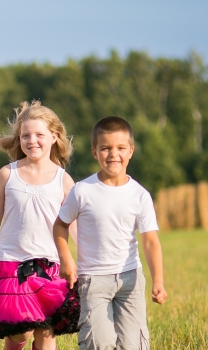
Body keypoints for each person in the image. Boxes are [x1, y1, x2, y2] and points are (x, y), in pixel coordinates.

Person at [0, 101, 80, 350]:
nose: (32, 141)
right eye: (25, 136)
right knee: (20, 330)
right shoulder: (7, 174)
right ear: (19, 139)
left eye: (39, 135)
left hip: (50, 265)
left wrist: (85, 260)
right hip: (12, 264)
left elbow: (74, 225)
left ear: (54, 137)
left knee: (46, 333)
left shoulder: (64, 180)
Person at [53, 116, 168, 349]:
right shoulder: (82, 191)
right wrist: (66, 258)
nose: (113, 154)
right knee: (98, 343)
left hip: (130, 279)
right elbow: (60, 225)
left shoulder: (140, 195)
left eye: (120, 148)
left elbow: (151, 242)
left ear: (131, 151)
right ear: (95, 152)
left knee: (133, 345)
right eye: (105, 148)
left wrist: (158, 280)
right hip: (93, 280)